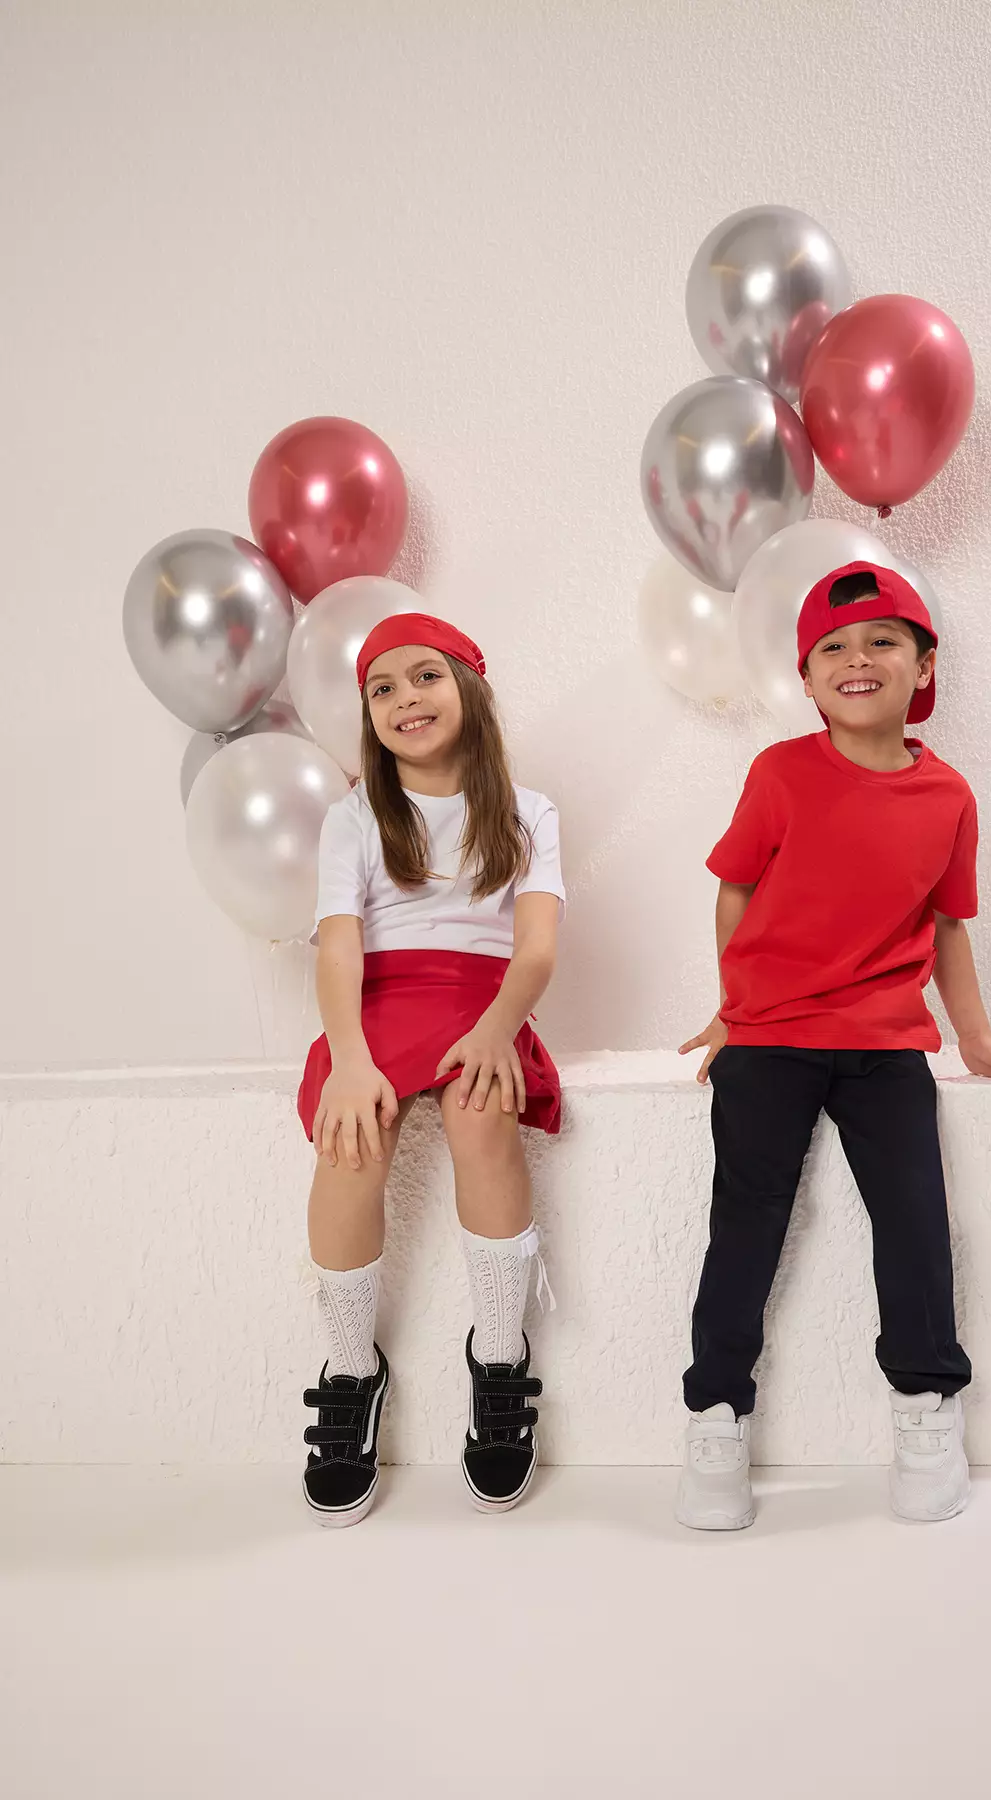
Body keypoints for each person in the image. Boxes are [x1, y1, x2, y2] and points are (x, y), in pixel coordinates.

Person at [675, 561, 991, 1530]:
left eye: (882, 640)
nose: (857, 659)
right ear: (806, 679)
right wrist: (732, 1009)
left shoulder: (949, 797)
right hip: (772, 1036)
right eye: (831, 648)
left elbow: (949, 926)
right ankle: (715, 1413)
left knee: (915, 1216)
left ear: (925, 666)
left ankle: (926, 1404)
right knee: (746, 1219)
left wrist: (977, 1039)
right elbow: (736, 890)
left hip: (884, 1043)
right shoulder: (780, 774)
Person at [296, 612, 564, 1527]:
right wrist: (349, 1060)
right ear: (369, 717)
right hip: (377, 1004)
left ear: (469, 689)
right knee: (352, 1141)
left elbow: (536, 948)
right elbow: (339, 948)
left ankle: (500, 1354)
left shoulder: (528, 811)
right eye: (382, 688)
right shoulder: (353, 817)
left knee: (482, 1115)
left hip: (484, 1001)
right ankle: (350, 1369)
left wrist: (497, 1030)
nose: (405, 699)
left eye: (425, 677)